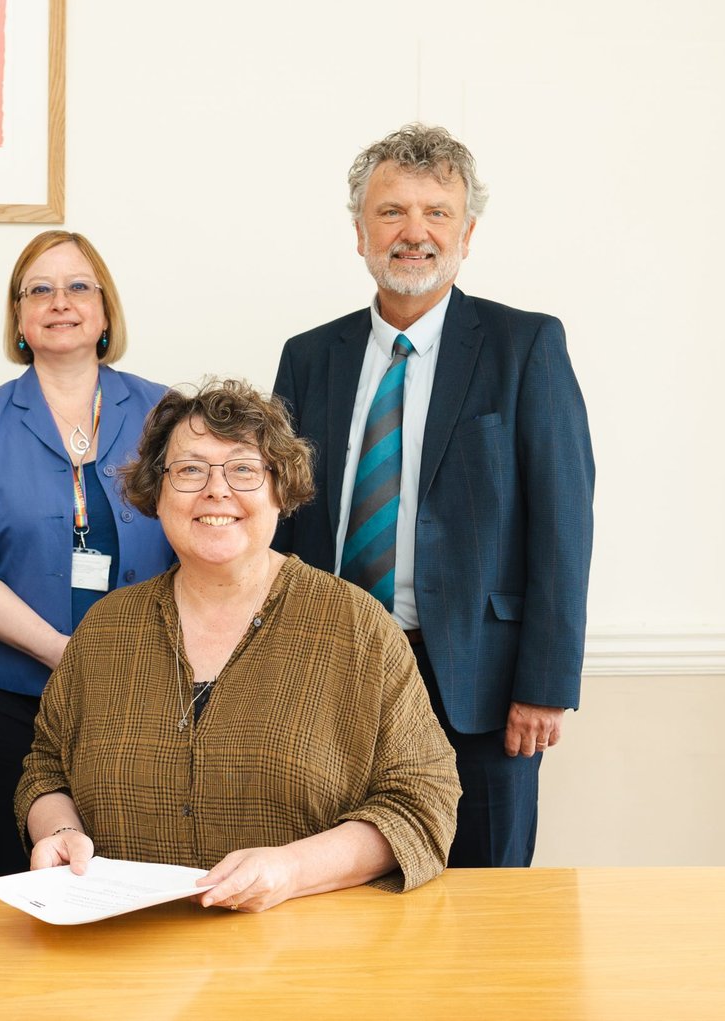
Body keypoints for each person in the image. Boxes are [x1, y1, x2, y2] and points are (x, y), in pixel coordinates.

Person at [272, 123, 595, 868]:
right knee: (343, 892)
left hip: (479, 687)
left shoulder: (526, 347)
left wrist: (545, 685)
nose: (414, 232)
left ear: (467, 232)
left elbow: (563, 524)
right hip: (332, 675)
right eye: (391, 212)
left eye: (436, 213)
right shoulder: (310, 356)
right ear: (360, 232)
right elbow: (282, 525)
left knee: (486, 900)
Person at [17, 380, 459, 910]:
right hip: (126, 955)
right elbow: (47, 767)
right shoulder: (107, 629)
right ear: (157, 493)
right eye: (189, 470)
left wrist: (291, 870)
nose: (216, 490)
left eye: (244, 469)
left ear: (280, 488)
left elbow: (423, 800)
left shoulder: (356, 627)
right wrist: (59, 832)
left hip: (305, 959)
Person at [0, 230, 174, 874]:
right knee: (24, 880)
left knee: (128, 880)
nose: (58, 301)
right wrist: (65, 654)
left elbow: (198, 540)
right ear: (18, 317)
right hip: (6, 699)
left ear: (104, 311)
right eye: (39, 289)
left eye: (76, 286)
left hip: (142, 694)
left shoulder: (164, 410)